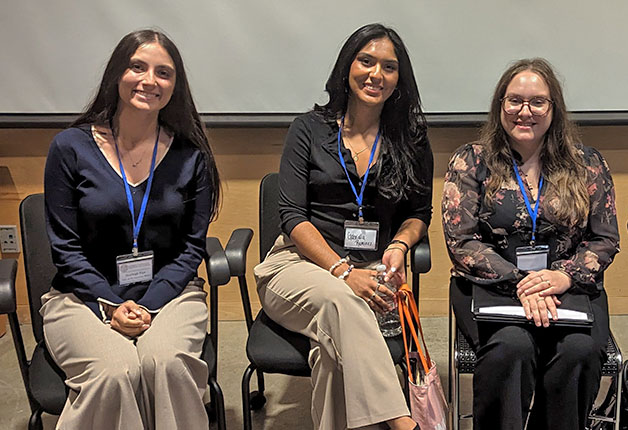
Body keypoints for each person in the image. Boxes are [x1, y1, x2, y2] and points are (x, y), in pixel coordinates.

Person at [252, 23, 431, 430]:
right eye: (366, 61)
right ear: (346, 67)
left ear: (399, 79)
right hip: (297, 266)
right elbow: (292, 216)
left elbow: (420, 212)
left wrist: (400, 246)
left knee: (330, 352)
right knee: (341, 302)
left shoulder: (411, 137)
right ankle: (404, 423)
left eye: (389, 66)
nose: (376, 74)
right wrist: (342, 272)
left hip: (371, 273)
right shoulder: (308, 130)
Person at [41, 29, 221, 429]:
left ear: (175, 86)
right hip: (81, 297)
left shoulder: (192, 156)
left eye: (164, 73)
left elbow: (192, 250)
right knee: (113, 371)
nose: (149, 81)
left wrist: (150, 303)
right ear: (117, 74)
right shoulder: (70, 147)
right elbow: (65, 249)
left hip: (170, 295)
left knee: (167, 364)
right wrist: (108, 304)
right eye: (137, 67)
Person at [442, 58, 619, 430]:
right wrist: (524, 283)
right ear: (499, 106)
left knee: (579, 352)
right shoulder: (471, 161)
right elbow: (462, 242)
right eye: (514, 101)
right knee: (512, 349)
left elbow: (604, 239)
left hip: (569, 289)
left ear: (554, 108)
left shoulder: (587, 164)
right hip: (491, 288)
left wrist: (563, 277)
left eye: (538, 102)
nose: (526, 111)